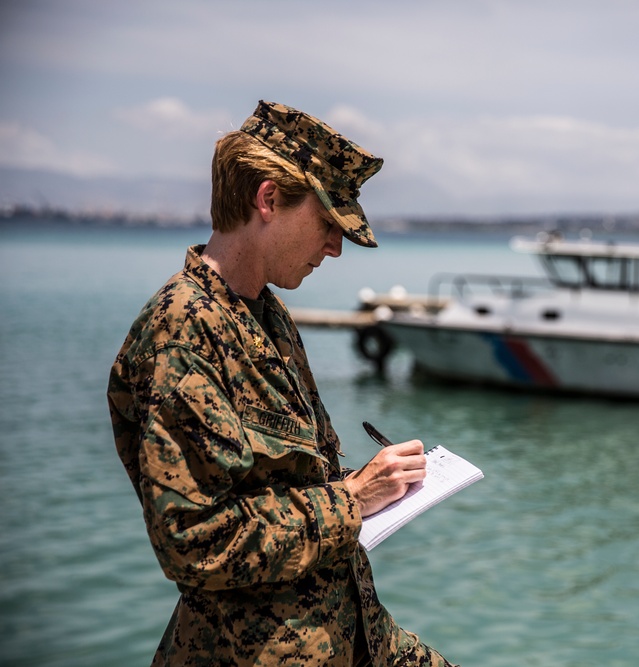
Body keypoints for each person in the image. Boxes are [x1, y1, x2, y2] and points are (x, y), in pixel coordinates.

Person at [108, 100, 458, 667]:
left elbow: (284, 487)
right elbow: (196, 542)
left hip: (353, 638)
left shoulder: (266, 315)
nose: (335, 247)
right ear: (268, 199)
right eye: (326, 224)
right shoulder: (183, 331)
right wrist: (354, 497)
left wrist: (374, 483)